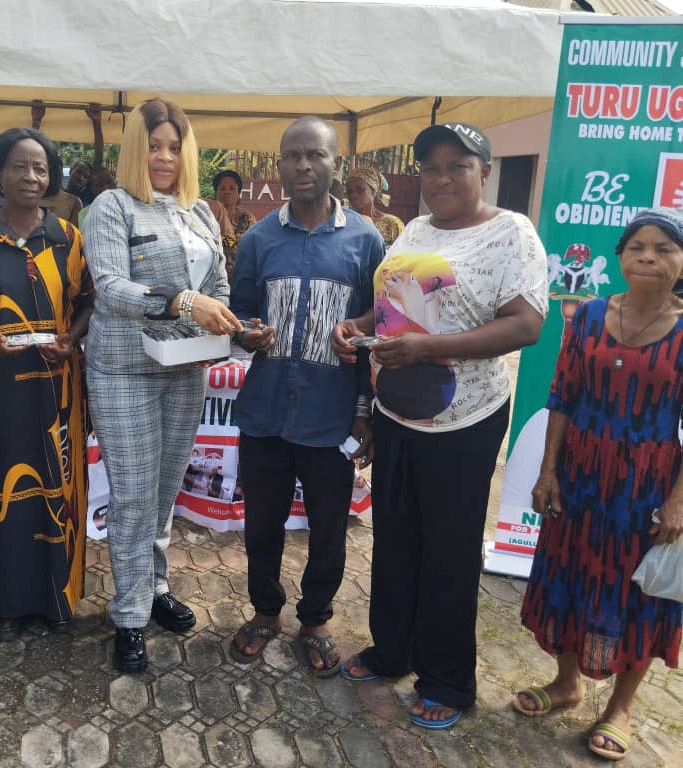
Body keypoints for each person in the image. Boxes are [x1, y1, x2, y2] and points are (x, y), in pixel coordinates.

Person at [332, 122, 547, 729]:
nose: (443, 178)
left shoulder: (511, 234)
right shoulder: (419, 230)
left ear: (484, 171)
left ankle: (448, 682)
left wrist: (431, 349)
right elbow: (395, 303)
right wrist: (358, 322)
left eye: (458, 166)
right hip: (399, 408)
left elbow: (525, 325)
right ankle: (390, 650)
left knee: (448, 551)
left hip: (465, 418)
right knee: (395, 538)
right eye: (431, 168)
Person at [515, 208, 683, 761]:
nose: (649, 258)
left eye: (664, 249)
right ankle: (566, 684)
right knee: (570, 574)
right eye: (638, 246)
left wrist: (678, 502)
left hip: (648, 485)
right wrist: (547, 471)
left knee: (636, 593)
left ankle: (620, 709)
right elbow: (562, 396)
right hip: (581, 474)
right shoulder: (587, 315)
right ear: (620, 256)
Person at [84, 97, 241, 673]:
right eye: (154, 146)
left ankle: (153, 587)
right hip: (125, 368)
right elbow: (109, 288)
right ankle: (127, 614)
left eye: (174, 147)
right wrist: (180, 301)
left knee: (164, 488)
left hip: (185, 366)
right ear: (135, 149)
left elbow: (219, 283)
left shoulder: (199, 211)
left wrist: (221, 314)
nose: (165, 157)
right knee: (131, 492)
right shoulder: (112, 207)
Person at [229, 117, 382, 676]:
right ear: (280, 164)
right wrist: (245, 330)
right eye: (291, 155)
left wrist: (365, 412)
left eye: (314, 155)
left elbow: (376, 331)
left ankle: (316, 619)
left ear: (335, 164)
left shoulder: (366, 239)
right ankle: (265, 612)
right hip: (266, 410)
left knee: (328, 526)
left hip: (332, 413)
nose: (301, 166)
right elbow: (238, 313)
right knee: (262, 524)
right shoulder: (258, 238)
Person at [0, 127, 93, 638]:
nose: (31, 176)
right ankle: (7, 607)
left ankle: (57, 601)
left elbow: (87, 302)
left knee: (58, 487)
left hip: (56, 387)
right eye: (19, 166)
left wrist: (71, 339)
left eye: (40, 168)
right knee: (2, 492)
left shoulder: (65, 237)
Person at [346, 166, 404, 247]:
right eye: (350, 192)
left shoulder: (392, 224)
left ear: (373, 191)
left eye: (360, 189)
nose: (354, 195)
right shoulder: (346, 223)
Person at [214, 169, 257, 274]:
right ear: (216, 192)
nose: (227, 192)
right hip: (214, 272)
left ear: (238, 193)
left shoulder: (247, 218)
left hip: (242, 272)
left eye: (232, 188)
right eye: (222, 188)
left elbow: (255, 247)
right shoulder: (207, 217)